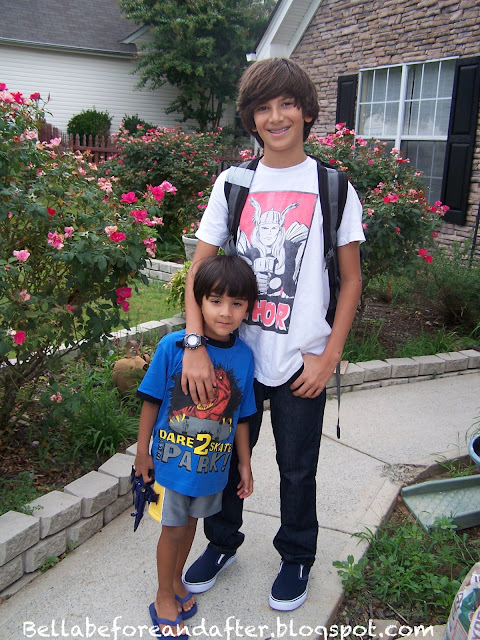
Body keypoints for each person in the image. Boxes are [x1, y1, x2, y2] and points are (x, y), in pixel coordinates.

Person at [180, 57, 365, 612]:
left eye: (287, 104)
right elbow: (199, 269)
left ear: (307, 111)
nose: (276, 116)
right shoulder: (234, 183)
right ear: (251, 117)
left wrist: (329, 357)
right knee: (222, 456)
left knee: (297, 468)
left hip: (301, 360)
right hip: (234, 356)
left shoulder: (333, 186)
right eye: (263, 107)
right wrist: (195, 345)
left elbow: (351, 280)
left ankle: (297, 555)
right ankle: (222, 543)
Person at [134, 255, 258, 637]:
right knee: (172, 530)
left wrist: (244, 463)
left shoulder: (244, 357)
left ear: (248, 308)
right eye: (216, 301)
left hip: (211, 468)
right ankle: (162, 597)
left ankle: (175, 581)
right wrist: (142, 452)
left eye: (236, 303)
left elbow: (242, 416)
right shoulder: (173, 347)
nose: (225, 312)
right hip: (172, 465)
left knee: (190, 527)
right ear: (199, 301)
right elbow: (151, 400)